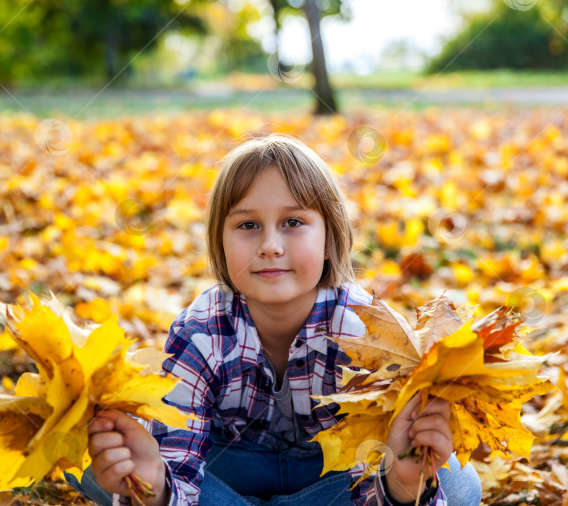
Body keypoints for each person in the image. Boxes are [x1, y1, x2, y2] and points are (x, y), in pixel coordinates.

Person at [65, 135, 482, 505]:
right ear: (220, 244)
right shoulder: (201, 331)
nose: (270, 245)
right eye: (248, 225)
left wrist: (400, 485)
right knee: (96, 459)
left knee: (455, 484)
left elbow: (374, 460)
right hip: (228, 464)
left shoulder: (365, 333)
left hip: (333, 473)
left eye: (293, 223)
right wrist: (154, 487)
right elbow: (178, 452)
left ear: (328, 240)